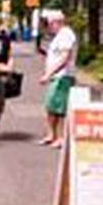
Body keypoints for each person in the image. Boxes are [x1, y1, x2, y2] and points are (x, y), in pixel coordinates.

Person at [39, 10, 78, 148]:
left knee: (60, 108)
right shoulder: (59, 36)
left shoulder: (66, 35)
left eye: (49, 24)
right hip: (56, 77)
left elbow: (64, 57)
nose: (48, 27)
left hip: (63, 77)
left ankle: (61, 137)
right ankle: (51, 135)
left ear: (56, 22)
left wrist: (48, 74)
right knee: (51, 106)